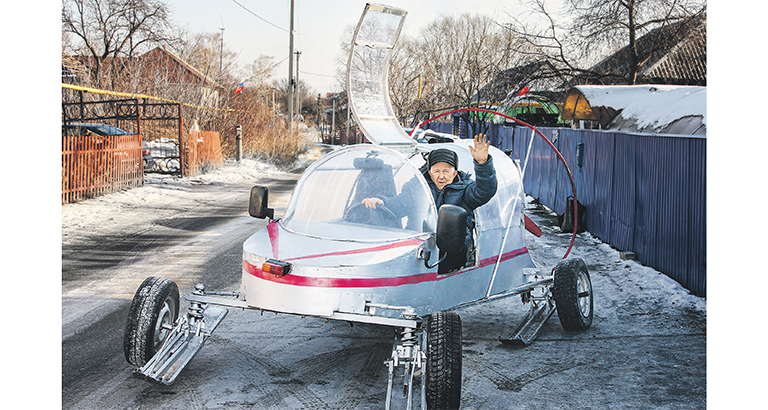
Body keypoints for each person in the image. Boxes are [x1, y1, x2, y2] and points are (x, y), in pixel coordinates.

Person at [362, 134, 498, 272]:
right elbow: (400, 204)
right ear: (430, 173)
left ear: (455, 173)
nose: (441, 176)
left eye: (446, 171)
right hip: (418, 248)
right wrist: (382, 201)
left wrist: (483, 164)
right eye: (436, 171)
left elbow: (485, 191)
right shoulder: (416, 186)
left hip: (452, 251)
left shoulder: (465, 189)